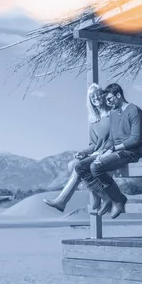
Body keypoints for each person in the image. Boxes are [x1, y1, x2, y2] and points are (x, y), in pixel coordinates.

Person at [75, 83, 142, 219]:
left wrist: (112, 149)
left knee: (96, 167)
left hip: (130, 152)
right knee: (80, 166)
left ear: (118, 95)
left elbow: (135, 140)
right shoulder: (114, 113)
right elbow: (111, 140)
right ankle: (106, 197)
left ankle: (118, 199)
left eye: (109, 99)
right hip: (114, 151)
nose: (107, 102)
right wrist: (102, 152)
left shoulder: (134, 111)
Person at [43, 83, 111, 212]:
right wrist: (83, 152)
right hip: (96, 154)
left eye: (98, 94)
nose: (96, 98)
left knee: (77, 167)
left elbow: (116, 138)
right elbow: (93, 144)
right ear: (90, 100)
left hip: (108, 154)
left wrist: (101, 151)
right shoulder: (94, 120)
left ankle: (63, 200)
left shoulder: (112, 115)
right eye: (92, 97)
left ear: (103, 95)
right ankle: (94, 193)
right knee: (71, 165)